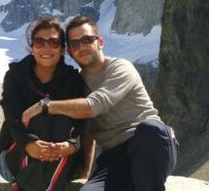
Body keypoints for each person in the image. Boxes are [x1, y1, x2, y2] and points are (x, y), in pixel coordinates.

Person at [22, 15, 179, 191]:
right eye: (75, 44)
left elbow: (93, 106)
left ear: (100, 42)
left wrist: (46, 106)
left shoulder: (121, 67)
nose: (82, 47)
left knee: (151, 129)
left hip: (148, 144)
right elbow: (87, 132)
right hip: (115, 157)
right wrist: (85, 174)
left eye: (87, 40)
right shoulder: (77, 84)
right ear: (70, 52)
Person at [0, 17, 86, 191]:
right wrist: (29, 144)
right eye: (40, 42)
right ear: (32, 46)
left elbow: (82, 121)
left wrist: (71, 145)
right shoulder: (15, 76)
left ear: (62, 48)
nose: (46, 47)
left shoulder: (73, 80)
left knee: (58, 120)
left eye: (53, 42)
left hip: (63, 154)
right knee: (40, 121)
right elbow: (12, 116)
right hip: (17, 156)